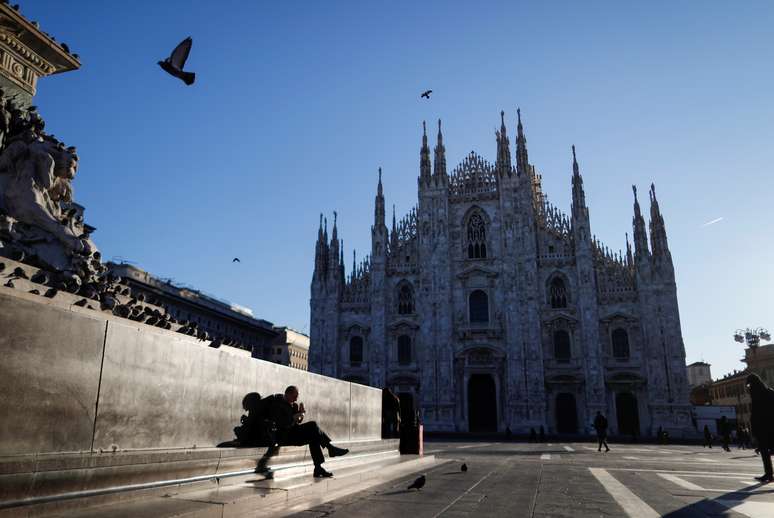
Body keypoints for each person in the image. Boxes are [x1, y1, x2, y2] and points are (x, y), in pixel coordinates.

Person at [257, 385, 350, 478]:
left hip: (293, 433)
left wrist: (301, 414)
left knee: (314, 436)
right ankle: (331, 449)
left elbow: (296, 421)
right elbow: (281, 424)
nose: (296, 399)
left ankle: (318, 467)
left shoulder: (293, 405)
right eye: (294, 396)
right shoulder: (278, 404)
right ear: (287, 394)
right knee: (313, 425)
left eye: (297, 396)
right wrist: (295, 417)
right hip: (283, 436)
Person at [747, 373, 774, 482]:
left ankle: (769, 474)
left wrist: (754, 430)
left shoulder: (757, 395)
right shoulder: (770, 392)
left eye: (749, 385)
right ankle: (768, 474)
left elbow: (755, 414)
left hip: (764, 428)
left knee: (765, 452)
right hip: (767, 427)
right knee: (765, 451)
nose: (749, 388)